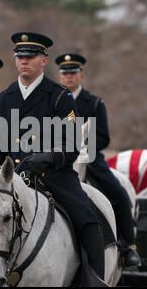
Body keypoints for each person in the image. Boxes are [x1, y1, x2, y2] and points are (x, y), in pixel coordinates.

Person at [0, 32, 104, 285]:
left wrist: (46, 158)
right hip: (11, 180)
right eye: (20, 56)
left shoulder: (59, 96)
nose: (24, 61)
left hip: (54, 177)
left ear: (43, 61)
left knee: (87, 220)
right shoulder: (3, 99)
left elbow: (71, 146)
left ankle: (94, 279)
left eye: (31, 56)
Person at [55, 53, 140, 267]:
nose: (69, 77)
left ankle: (129, 246)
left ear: (81, 75)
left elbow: (103, 136)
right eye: (65, 74)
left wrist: (84, 147)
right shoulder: (53, 101)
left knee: (118, 194)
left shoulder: (93, 103)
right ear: (60, 76)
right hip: (60, 158)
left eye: (73, 73)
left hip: (90, 159)